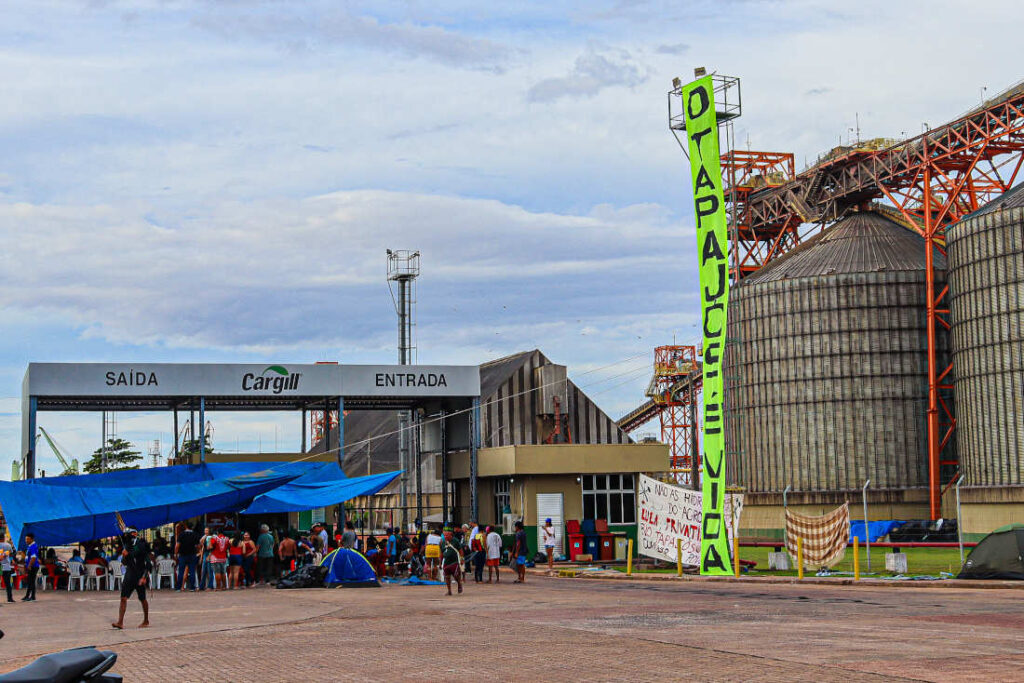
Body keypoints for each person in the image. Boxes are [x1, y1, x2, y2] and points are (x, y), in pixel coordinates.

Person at [112, 528, 151, 629]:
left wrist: (144, 577)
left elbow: (148, 563)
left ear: (135, 534)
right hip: (129, 574)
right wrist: (124, 556)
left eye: (130, 534)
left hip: (140, 574)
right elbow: (125, 562)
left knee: (142, 599)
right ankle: (120, 622)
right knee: (123, 598)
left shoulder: (142, 545)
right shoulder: (127, 545)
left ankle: (146, 620)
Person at [175, 521, 199, 592]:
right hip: (192, 555)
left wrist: (176, 554)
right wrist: (197, 550)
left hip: (182, 555)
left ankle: (178, 588)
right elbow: (198, 545)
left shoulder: (181, 534)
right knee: (192, 571)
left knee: (181, 572)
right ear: (192, 527)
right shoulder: (195, 534)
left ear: (186, 527)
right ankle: (192, 587)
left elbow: (177, 546)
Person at [441, 529, 463, 596]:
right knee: (447, 577)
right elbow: (441, 552)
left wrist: (462, 559)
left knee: (456, 575)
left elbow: (460, 550)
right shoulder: (443, 542)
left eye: (447, 535)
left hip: (454, 561)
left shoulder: (455, 541)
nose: (445, 536)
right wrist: (440, 562)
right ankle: (449, 591)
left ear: (451, 535)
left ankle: (459, 583)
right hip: (446, 562)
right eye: (444, 535)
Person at [22, 533, 39, 602]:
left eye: (28, 539)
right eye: (26, 539)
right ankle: (27, 596)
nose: (26, 540)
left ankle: (33, 597)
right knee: (30, 581)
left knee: (31, 581)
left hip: (33, 566)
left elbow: (33, 557)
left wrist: (29, 565)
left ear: (32, 539)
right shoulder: (30, 546)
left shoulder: (33, 547)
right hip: (30, 566)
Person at [0, 536, 14, 603]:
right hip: (6, 567)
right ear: (3, 538)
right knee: (8, 583)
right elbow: (11, 554)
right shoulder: (8, 545)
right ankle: (10, 599)